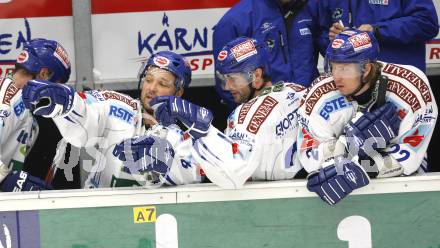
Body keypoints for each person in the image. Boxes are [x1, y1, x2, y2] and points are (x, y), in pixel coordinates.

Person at [21, 51, 203, 188]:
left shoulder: (186, 133)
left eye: (162, 83)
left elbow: (195, 173)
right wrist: (66, 102)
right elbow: (86, 111)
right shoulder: (117, 105)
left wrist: (164, 160)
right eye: (148, 79)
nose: (152, 88)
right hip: (100, 221)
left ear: (178, 92)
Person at [298, 29, 438, 205]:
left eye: (344, 68)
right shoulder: (319, 95)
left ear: (367, 68)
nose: (336, 76)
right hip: (344, 196)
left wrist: (362, 168)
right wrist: (346, 144)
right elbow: (310, 157)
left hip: (403, 189)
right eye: (333, 66)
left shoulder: (411, 88)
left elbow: (410, 157)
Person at [150, 37, 305, 189]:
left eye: (232, 78)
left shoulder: (246, 115)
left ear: (256, 76)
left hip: (265, 203)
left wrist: (202, 128)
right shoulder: (296, 90)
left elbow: (234, 171)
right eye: (224, 79)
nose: (227, 87)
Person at [213, 0, 320, 109]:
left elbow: (330, 52)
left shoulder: (310, 7)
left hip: (311, 108)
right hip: (266, 116)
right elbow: (227, 82)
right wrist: (257, 114)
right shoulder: (234, 22)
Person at [0, 38, 71, 192]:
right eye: (56, 85)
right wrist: (8, 182)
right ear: (44, 74)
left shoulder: (32, 120)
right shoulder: (6, 98)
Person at [317, 0, 439, 73]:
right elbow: (321, 32)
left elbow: (427, 23)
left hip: (398, 83)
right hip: (351, 85)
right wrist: (334, 38)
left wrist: (376, 30)